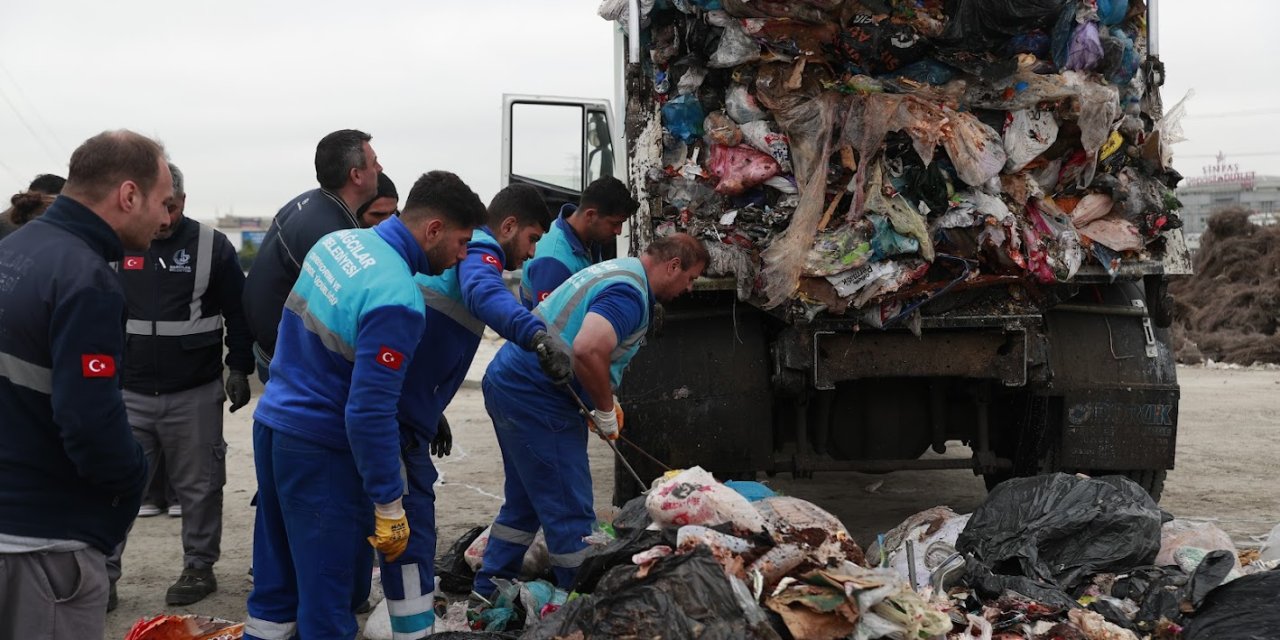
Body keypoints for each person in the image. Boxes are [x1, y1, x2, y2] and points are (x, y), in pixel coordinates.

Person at [244, 170, 486, 640]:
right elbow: (369, 411)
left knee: (275, 591)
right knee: (326, 602)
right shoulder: (397, 297)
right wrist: (390, 502)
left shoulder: (338, 246)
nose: (463, 257)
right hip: (321, 449)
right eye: (460, 242)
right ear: (432, 229)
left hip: (273, 425)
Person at [472, 233, 708, 602]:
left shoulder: (622, 271)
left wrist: (599, 403)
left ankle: (486, 591)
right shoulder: (629, 293)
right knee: (569, 506)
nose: (690, 288)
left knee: (525, 500)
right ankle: (586, 601)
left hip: (512, 382)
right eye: (691, 278)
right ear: (673, 266)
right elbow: (586, 349)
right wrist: (603, 407)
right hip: (537, 396)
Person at [0, 130, 171, 637]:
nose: (166, 219)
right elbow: (89, 423)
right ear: (128, 195)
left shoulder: (15, 249)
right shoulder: (87, 278)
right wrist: (132, 479)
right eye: (163, 203)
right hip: (44, 547)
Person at [385, 183, 571, 637]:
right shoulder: (481, 249)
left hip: (407, 411)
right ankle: (411, 628)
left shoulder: (466, 254)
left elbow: (422, 343)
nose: (529, 256)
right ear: (506, 226)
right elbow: (485, 294)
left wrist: (432, 408)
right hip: (395, 421)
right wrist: (535, 335)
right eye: (529, 240)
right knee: (411, 525)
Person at [105, 163, 254, 607]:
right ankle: (104, 574)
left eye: (174, 206)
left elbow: (239, 313)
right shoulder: (116, 243)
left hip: (193, 392)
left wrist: (239, 367)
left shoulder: (213, 246)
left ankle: (198, 567)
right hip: (128, 392)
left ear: (183, 201)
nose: (165, 218)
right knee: (116, 487)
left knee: (202, 486)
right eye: (159, 207)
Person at [242, 129, 382, 381]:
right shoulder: (331, 234)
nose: (380, 168)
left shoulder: (308, 202)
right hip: (289, 364)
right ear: (356, 175)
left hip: (269, 347)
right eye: (374, 162)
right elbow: (342, 317)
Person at [518, 176, 637, 308]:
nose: (618, 231)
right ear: (590, 215)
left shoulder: (590, 239)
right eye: (615, 223)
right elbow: (550, 326)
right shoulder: (553, 262)